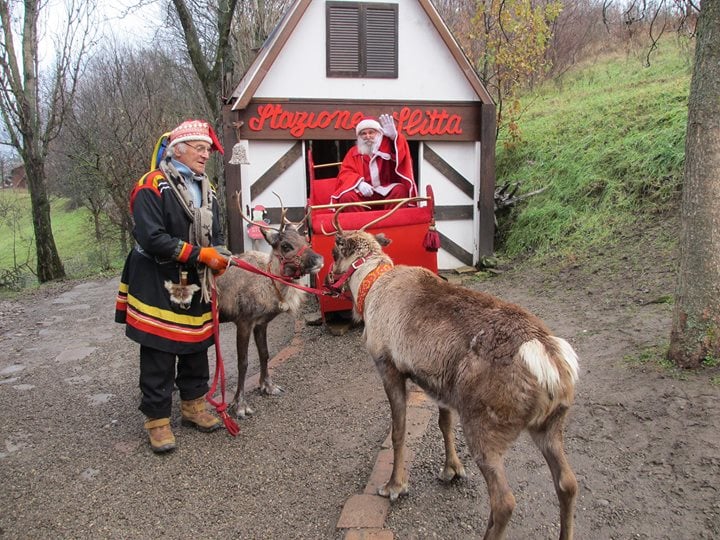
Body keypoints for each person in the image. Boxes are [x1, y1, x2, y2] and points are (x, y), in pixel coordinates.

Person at [115, 119, 231, 454]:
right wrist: (201, 254)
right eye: (199, 148)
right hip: (155, 276)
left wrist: (220, 257)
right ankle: (157, 421)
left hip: (195, 279)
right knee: (160, 351)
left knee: (196, 345)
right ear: (178, 149)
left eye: (208, 149)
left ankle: (194, 406)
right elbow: (151, 238)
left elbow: (218, 234)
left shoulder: (207, 189)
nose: (205, 155)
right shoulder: (151, 185)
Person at [330, 114, 417, 210]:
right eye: (363, 133)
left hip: (386, 192)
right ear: (359, 137)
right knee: (346, 197)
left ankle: (390, 223)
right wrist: (359, 184)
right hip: (362, 195)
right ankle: (360, 224)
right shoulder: (353, 152)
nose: (367, 136)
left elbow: (401, 156)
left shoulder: (387, 147)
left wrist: (394, 137)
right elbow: (345, 173)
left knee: (400, 190)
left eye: (371, 132)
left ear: (379, 133)